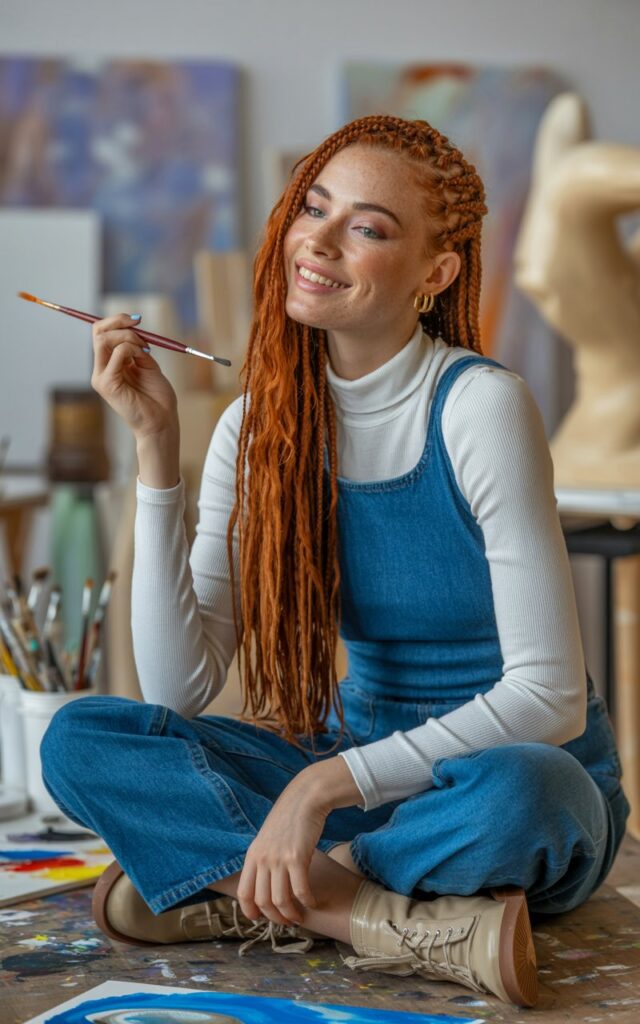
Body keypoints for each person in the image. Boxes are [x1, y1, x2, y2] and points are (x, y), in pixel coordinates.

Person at [41, 115, 629, 1009]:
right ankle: (371, 911)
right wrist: (158, 450)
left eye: (368, 225)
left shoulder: (480, 407)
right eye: (315, 207)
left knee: (529, 792)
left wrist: (315, 790)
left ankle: (252, 892)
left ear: (436, 274)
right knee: (82, 738)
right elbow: (177, 691)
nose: (316, 238)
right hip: (368, 780)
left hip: (494, 785)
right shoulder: (254, 429)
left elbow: (546, 698)